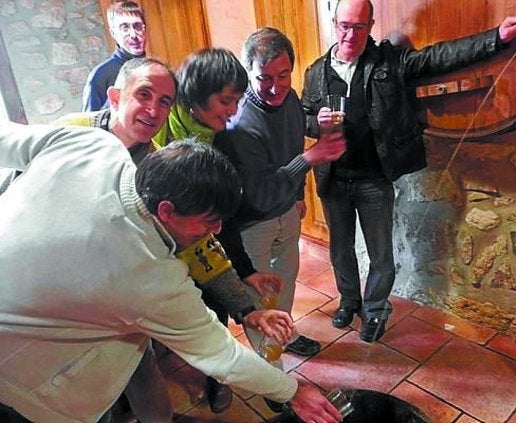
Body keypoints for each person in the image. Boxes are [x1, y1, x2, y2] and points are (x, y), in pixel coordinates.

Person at [0, 123, 343, 423]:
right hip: (24, 391)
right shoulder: (146, 275)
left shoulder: (91, 144)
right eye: (209, 221)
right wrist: (293, 391)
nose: (215, 230)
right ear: (166, 211)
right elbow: (220, 354)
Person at [55, 56, 293, 416]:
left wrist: (244, 308)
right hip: (60, 302)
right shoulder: (73, 134)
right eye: (144, 95)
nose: (154, 110)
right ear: (116, 96)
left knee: (140, 372)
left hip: (125, 296)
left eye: (164, 101)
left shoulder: (156, 162)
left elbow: (200, 242)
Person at [301, 0, 516, 342]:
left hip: (374, 178)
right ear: (334, 23)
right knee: (340, 250)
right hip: (333, 178)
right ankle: (348, 301)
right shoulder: (315, 72)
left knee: (381, 253)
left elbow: (440, 57)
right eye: (344, 26)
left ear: (371, 26)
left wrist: (496, 38)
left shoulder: (389, 62)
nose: (350, 35)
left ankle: (375, 310)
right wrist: (315, 122)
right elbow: (303, 117)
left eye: (359, 27)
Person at [213, 27, 346, 412]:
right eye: (264, 78)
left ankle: (283, 338)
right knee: (260, 300)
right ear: (248, 73)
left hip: (286, 212)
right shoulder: (240, 123)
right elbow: (258, 193)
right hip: (252, 225)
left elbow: (290, 144)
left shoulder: (289, 101)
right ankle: (273, 382)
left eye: (284, 75)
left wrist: (297, 196)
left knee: (283, 289)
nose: (275, 87)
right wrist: (310, 158)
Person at [153, 47, 286, 413]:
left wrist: (245, 272)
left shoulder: (222, 140)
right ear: (196, 96)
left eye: (237, 101)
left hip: (197, 249)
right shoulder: (156, 135)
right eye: (226, 101)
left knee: (212, 308)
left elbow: (221, 222)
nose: (232, 111)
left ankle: (216, 379)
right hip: (158, 253)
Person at [82, 1, 147, 111]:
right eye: (125, 28)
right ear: (113, 33)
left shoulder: (154, 71)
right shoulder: (100, 76)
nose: (133, 35)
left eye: (137, 26)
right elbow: (90, 120)